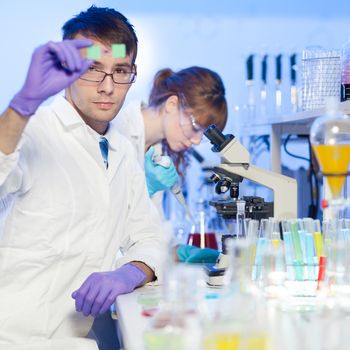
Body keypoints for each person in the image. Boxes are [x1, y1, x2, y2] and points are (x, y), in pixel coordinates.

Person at [0, 6, 163, 350]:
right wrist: (22, 104)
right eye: (92, 69)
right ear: (68, 70)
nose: (107, 87)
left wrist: (130, 272)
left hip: (75, 341)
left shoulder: (120, 150)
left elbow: (149, 238)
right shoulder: (33, 132)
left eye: (120, 70)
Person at [114, 66, 228, 262]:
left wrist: (176, 251)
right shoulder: (117, 130)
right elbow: (109, 223)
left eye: (203, 134)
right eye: (195, 127)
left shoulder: (155, 152)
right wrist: (145, 191)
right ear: (172, 104)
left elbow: (152, 225)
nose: (197, 141)